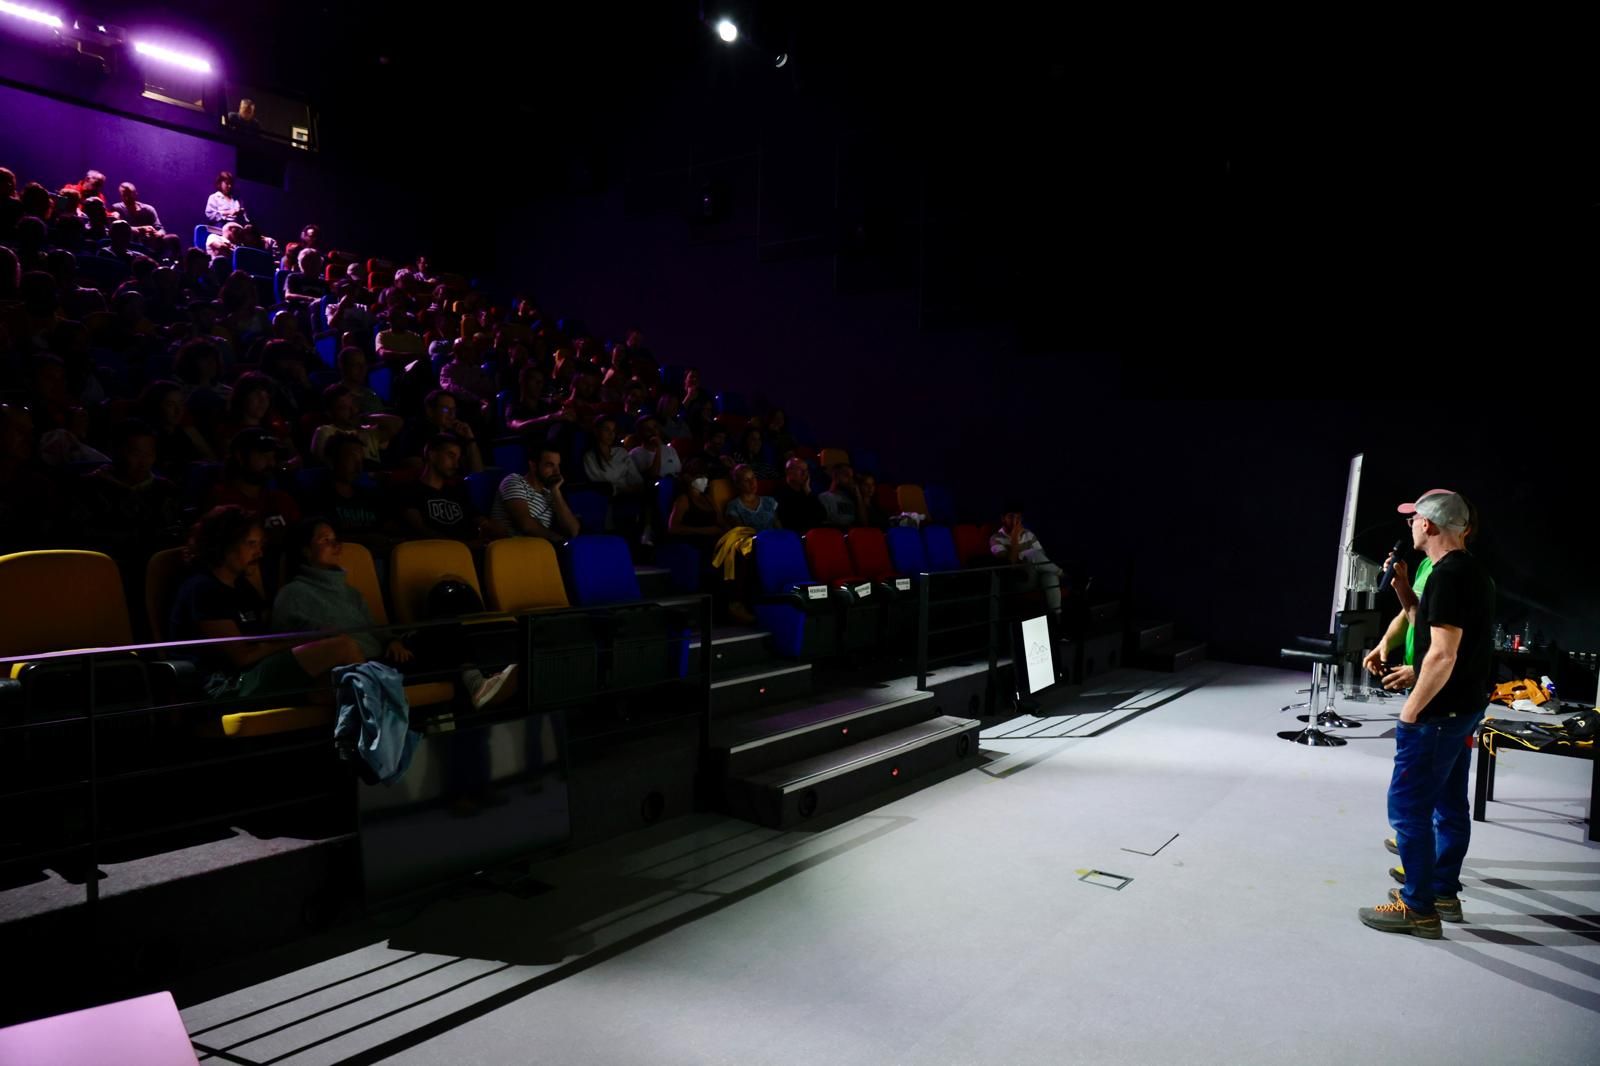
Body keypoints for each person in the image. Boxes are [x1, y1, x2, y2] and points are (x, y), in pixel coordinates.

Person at [1357, 490, 1495, 939]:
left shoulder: (1446, 576)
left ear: (1430, 526)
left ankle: (1417, 908)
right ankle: (1441, 892)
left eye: (1414, 518)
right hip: (1466, 708)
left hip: (1439, 713)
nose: (1410, 525)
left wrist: (1411, 712)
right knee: (1450, 803)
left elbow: (1442, 655)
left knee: (1409, 810)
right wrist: (1401, 590)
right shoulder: (1467, 572)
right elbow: (1431, 624)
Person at [273, 518, 518, 709]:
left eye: (335, 538)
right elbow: (292, 651)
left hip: (386, 658)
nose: (335, 545)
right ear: (305, 550)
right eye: (325, 540)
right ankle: (477, 680)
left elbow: (373, 629)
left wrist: (392, 640)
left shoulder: (350, 592)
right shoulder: (292, 594)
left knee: (450, 601)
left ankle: (478, 681)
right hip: (357, 671)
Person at [169, 506, 363, 702]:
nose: (259, 553)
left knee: (334, 681)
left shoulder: (243, 587)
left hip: (255, 673)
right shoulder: (202, 589)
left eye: (260, 545)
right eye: (251, 544)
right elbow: (242, 656)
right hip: (225, 685)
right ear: (225, 544)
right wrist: (304, 639)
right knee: (342, 646)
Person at [394, 432, 504, 544]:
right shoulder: (409, 490)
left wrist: (492, 528)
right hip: (432, 553)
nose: (456, 465)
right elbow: (419, 529)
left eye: (458, 458)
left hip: (467, 553)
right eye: (451, 456)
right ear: (431, 455)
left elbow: (478, 519)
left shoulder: (458, 492)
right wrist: (461, 544)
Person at [491, 444, 580, 541]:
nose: (557, 472)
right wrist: (560, 541)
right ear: (533, 466)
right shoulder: (514, 481)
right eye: (550, 465)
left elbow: (573, 530)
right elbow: (526, 525)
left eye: (558, 465)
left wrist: (555, 491)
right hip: (510, 547)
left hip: (538, 549)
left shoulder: (550, 494)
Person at [990, 504, 1063, 615]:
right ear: (1002, 518)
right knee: (1031, 553)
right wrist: (1014, 538)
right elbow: (1009, 565)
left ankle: (1058, 616)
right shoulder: (995, 538)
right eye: (1011, 517)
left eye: (1018, 518)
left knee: (1050, 576)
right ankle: (1065, 576)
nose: (1015, 522)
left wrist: (1026, 557)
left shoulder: (1028, 534)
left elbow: (1043, 560)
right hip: (1017, 580)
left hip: (1035, 576)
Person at [309, 384, 402, 465]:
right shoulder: (325, 432)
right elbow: (321, 464)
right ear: (330, 413)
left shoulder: (368, 431)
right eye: (343, 408)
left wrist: (364, 418)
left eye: (352, 405)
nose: (352, 411)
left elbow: (397, 423)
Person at [772, 457, 826, 534]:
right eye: (800, 469)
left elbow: (822, 515)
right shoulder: (781, 494)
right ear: (788, 472)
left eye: (806, 470)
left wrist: (808, 490)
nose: (805, 473)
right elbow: (793, 522)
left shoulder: (807, 492)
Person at [817, 463, 867, 529]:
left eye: (851, 477)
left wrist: (858, 496)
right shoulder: (824, 497)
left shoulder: (852, 499)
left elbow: (864, 524)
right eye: (846, 476)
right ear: (835, 476)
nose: (851, 480)